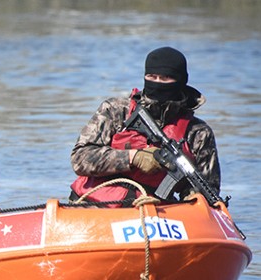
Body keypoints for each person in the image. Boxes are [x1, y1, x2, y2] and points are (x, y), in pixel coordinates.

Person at [69, 46, 220, 205]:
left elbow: (209, 188)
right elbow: (80, 159)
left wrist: (193, 196)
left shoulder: (198, 133)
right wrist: (133, 157)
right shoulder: (116, 111)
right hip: (93, 206)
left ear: (181, 81)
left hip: (154, 211)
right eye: (151, 76)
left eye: (165, 78)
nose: (157, 83)